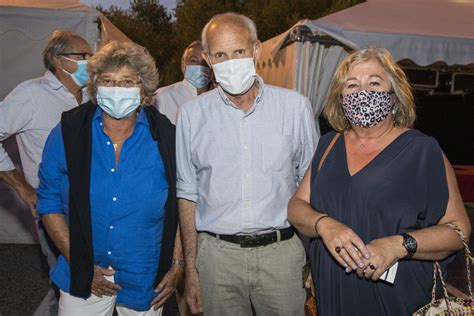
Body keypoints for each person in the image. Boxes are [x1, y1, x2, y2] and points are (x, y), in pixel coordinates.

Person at [288, 47, 471, 315]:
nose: (363, 91)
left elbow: (459, 230)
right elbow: (297, 206)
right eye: (352, 84)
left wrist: (399, 245)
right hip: (334, 290)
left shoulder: (422, 151)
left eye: (374, 82)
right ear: (341, 97)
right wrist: (324, 224)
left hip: (397, 297)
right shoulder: (328, 145)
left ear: (393, 95)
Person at [176, 12, 318, 315]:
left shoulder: (295, 108)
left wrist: (315, 259)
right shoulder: (191, 116)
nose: (230, 61)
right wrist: (192, 268)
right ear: (208, 59)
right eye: (220, 54)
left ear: (256, 50)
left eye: (239, 51)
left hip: (281, 255)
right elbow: (187, 194)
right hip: (217, 258)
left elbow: (314, 185)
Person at [36, 41, 182, 315]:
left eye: (127, 82)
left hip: (145, 276)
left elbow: (182, 203)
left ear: (143, 90)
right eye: (107, 81)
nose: (117, 90)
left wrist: (177, 264)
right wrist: (79, 262)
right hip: (82, 274)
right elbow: (49, 199)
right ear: (95, 86)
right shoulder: (69, 132)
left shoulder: (167, 138)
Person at [0, 30, 92, 315]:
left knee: (84, 283)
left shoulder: (92, 94)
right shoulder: (31, 94)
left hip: (94, 208)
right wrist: (23, 188)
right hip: (56, 210)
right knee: (68, 283)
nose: (90, 62)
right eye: (83, 56)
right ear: (59, 61)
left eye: (91, 56)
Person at [154, 40, 213, 124]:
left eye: (205, 63)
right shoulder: (163, 97)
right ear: (183, 64)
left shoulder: (220, 100)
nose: (200, 66)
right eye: (193, 61)